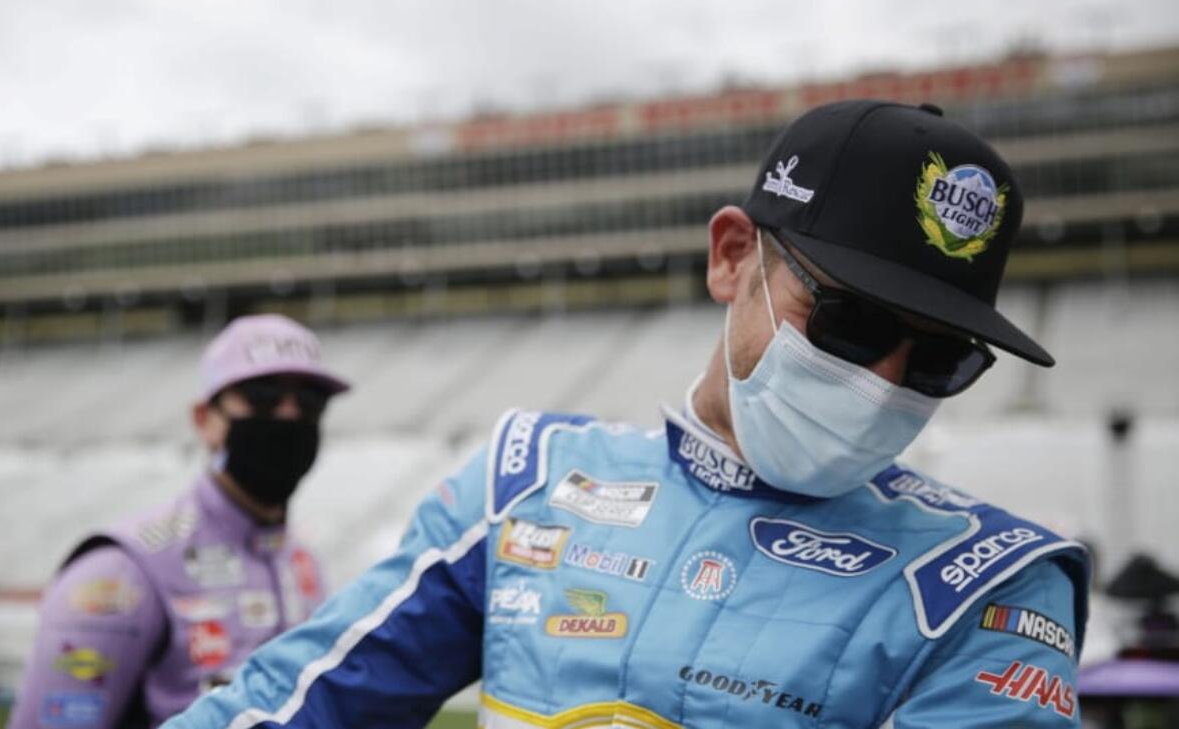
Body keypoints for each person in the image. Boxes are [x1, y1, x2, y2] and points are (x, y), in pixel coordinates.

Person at [161, 101, 1090, 728]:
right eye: (851, 321)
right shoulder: (528, 479)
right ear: (733, 258)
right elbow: (296, 700)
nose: (885, 380)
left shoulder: (989, 589)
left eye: (939, 357)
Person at [8, 314, 350, 729]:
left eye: (311, 402)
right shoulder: (122, 572)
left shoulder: (304, 563)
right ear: (205, 419)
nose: (289, 416)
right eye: (262, 396)